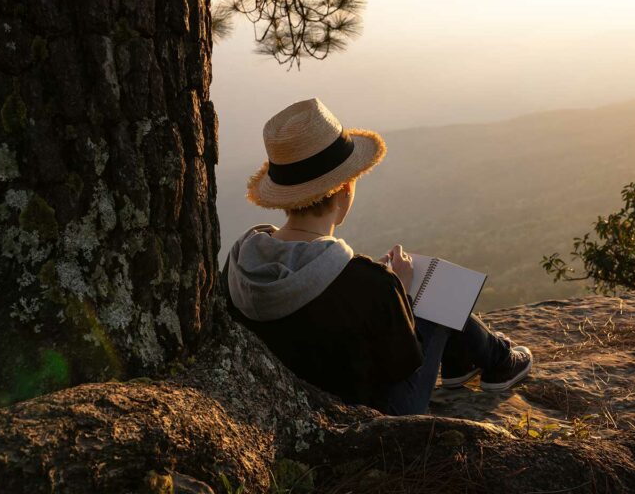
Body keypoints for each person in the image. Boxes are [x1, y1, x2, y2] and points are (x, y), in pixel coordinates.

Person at [220, 98, 533, 415]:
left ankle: (466, 361)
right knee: (436, 286)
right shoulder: (370, 283)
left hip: (288, 403)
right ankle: (499, 361)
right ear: (345, 188)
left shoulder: (240, 266)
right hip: (376, 411)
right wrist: (402, 293)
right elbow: (403, 364)